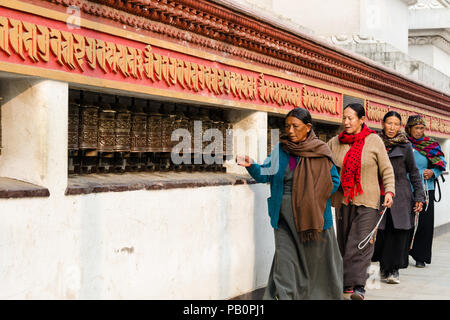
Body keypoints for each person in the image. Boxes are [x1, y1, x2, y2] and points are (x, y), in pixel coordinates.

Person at [237, 107, 343, 300]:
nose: (291, 131)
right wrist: (252, 165)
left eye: (295, 126)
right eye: (287, 126)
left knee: (315, 265)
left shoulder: (320, 150)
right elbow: (265, 173)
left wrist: (311, 197)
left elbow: (334, 182)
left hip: (312, 218)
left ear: (308, 127)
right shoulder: (281, 149)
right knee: (285, 264)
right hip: (283, 217)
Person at [327, 103, 395, 300]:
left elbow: (386, 169)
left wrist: (389, 191)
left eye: (351, 118)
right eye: (344, 118)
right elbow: (324, 165)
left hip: (369, 201)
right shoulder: (335, 142)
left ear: (362, 119)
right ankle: (346, 283)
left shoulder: (374, 141)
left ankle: (359, 286)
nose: (346, 122)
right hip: (343, 200)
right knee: (344, 242)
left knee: (360, 243)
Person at [371, 111, 424, 284]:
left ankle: (393, 269)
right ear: (383, 124)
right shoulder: (375, 142)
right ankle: (382, 266)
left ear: (400, 126)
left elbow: (414, 172)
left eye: (396, 124)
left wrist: (419, 196)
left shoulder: (405, 146)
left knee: (397, 232)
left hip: (400, 194)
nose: (392, 127)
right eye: (389, 123)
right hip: (378, 193)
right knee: (381, 232)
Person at [405, 115, 447, 268]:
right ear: (409, 128)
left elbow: (441, 164)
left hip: (426, 189)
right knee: (405, 223)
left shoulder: (431, 145)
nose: (419, 131)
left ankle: (420, 256)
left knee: (424, 223)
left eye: (421, 128)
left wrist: (433, 173)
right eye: (416, 128)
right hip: (406, 189)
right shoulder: (404, 144)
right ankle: (403, 254)